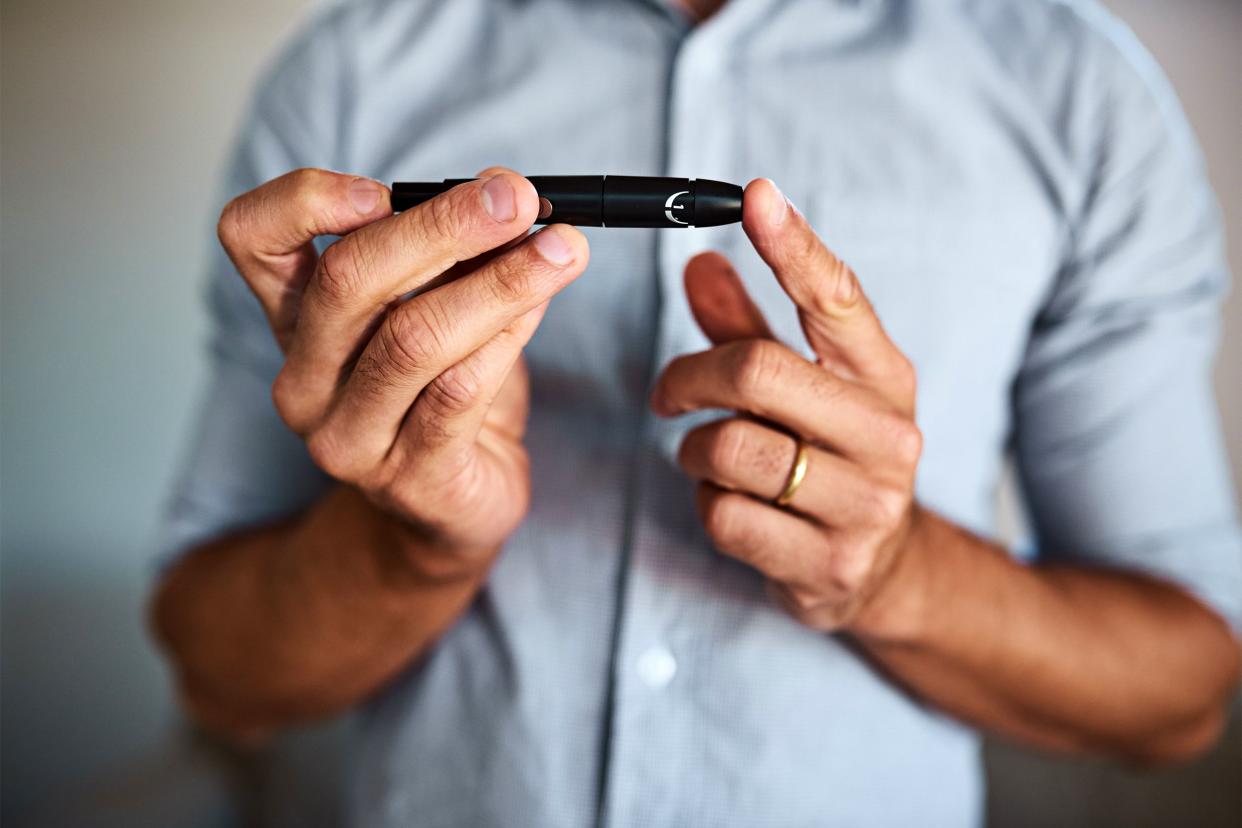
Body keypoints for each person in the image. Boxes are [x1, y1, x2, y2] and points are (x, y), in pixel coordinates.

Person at [149, 0, 1242, 825]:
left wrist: (899, 569)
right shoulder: (354, 70)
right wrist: (404, 547)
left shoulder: (1081, 92)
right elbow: (217, 669)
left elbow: (1181, 694)